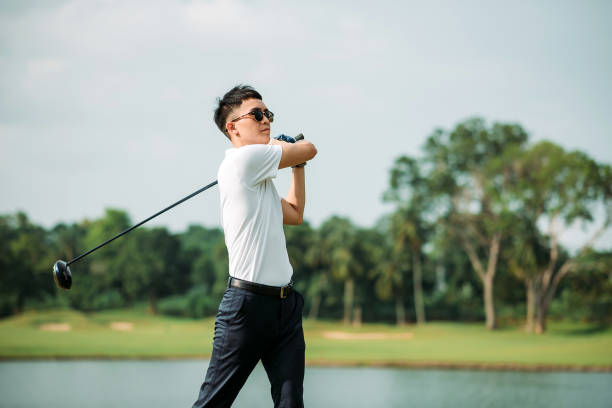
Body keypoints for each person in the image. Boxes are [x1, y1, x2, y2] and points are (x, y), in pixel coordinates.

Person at [191, 85, 317, 408]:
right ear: (232, 128)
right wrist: (293, 150)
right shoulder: (243, 161)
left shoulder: (258, 177)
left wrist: (296, 166)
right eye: (257, 115)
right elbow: (310, 148)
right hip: (246, 308)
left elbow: (295, 212)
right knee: (212, 404)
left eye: (268, 115)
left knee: (291, 404)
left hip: (285, 308)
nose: (266, 121)